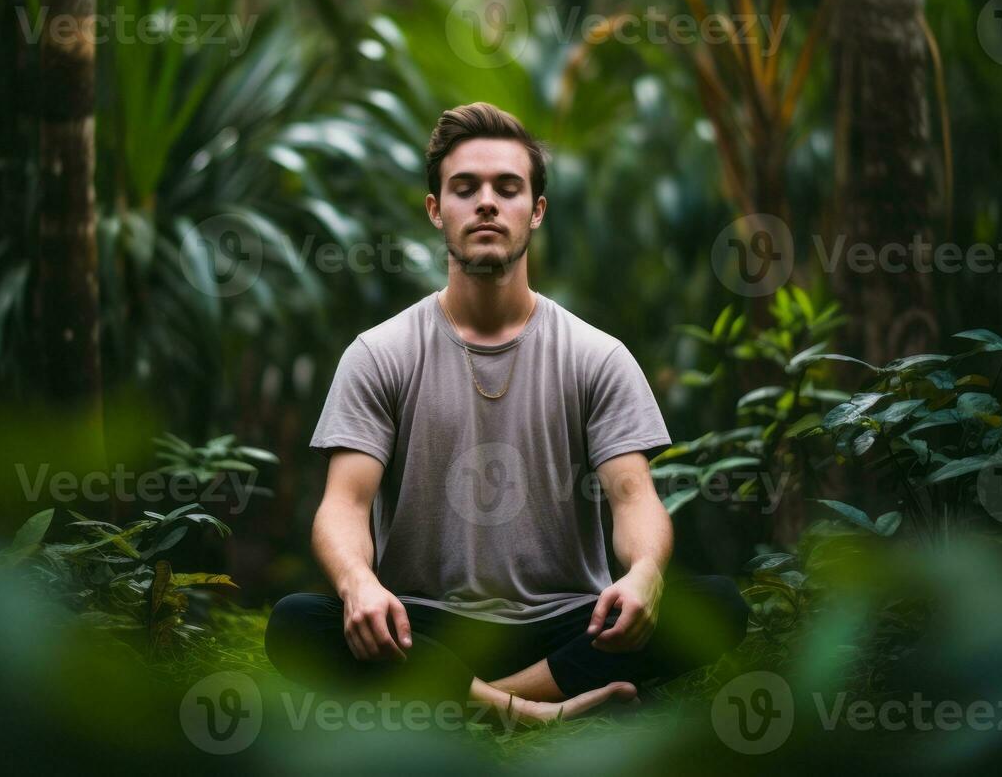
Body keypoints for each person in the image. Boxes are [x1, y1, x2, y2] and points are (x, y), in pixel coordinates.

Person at [265, 102, 749, 727]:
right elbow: (343, 506)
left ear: (537, 211)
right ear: (436, 209)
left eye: (508, 188)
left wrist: (647, 576)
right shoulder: (379, 354)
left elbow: (635, 499)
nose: (486, 203)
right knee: (298, 622)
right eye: (464, 188)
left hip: (568, 619)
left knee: (717, 605)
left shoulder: (595, 355)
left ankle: (462, 700)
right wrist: (359, 584)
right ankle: (536, 709)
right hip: (421, 622)